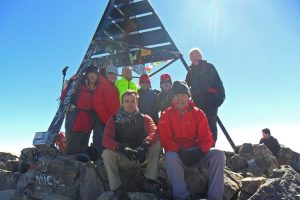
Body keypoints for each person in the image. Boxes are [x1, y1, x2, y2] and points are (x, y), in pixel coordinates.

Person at [158, 81, 226, 200]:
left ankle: (215, 197)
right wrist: (179, 150)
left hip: (197, 153)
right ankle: (181, 197)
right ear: (172, 98)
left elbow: (207, 138)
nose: (180, 99)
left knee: (218, 154)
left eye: (183, 95)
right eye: (177, 96)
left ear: (188, 97)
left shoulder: (199, 114)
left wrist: (200, 151)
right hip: (178, 154)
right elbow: (165, 139)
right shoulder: (166, 114)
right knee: (170, 157)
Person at [102, 90, 161, 199]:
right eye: (127, 101)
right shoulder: (113, 120)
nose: (130, 104)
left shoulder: (145, 118)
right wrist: (120, 147)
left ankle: (149, 180)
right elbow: (106, 139)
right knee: (106, 154)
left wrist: (145, 144)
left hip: (142, 157)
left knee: (157, 144)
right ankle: (116, 188)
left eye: (133, 101)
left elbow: (154, 132)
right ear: (122, 103)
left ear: (137, 102)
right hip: (123, 157)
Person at [186, 48, 225, 143]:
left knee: (211, 124)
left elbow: (218, 83)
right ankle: (201, 147)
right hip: (197, 102)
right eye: (192, 55)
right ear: (190, 58)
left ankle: (211, 147)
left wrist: (219, 99)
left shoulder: (209, 67)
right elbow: (186, 85)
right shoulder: (190, 71)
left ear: (200, 55)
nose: (194, 56)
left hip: (210, 100)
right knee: (199, 125)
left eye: (196, 54)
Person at [61, 65, 98, 156]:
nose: (93, 75)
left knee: (83, 152)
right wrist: (70, 82)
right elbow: (64, 98)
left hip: (88, 124)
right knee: (71, 151)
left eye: (95, 73)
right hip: (75, 122)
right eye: (91, 73)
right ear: (87, 74)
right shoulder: (78, 84)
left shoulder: (96, 88)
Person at [92, 65, 120, 156]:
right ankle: (97, 163)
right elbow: (98, 105)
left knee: (108, 143)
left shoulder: (114, 88)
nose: (113, 76)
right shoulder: (101, 85)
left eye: (115, 74)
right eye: (111, 73)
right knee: (100, 143)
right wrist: (108, 120)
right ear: (107, 74)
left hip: (111, 121)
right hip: (102, 121)